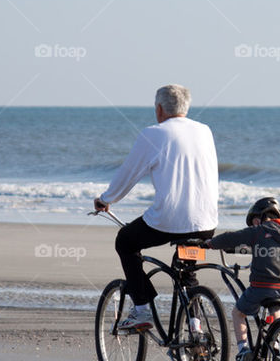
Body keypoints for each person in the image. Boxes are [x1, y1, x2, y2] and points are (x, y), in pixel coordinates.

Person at [94, 84, 219, 330]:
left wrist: (107, 199)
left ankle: (142, 309)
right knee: (186, 273)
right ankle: (196, 331)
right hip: (206, 223)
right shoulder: (204, 131)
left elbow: (128, 174)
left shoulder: (154, 134)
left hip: (169, 221)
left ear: (159, 109)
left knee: (126, 242)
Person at [205, 197, 280, 361]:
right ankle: (274, 346)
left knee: (238, 313)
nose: (254, 224)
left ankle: (244, 350)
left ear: (260, 217)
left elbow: (231, 237)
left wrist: (211, 243)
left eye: (254, 220)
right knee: (276, 309)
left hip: (260, 287)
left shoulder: (258, 231)